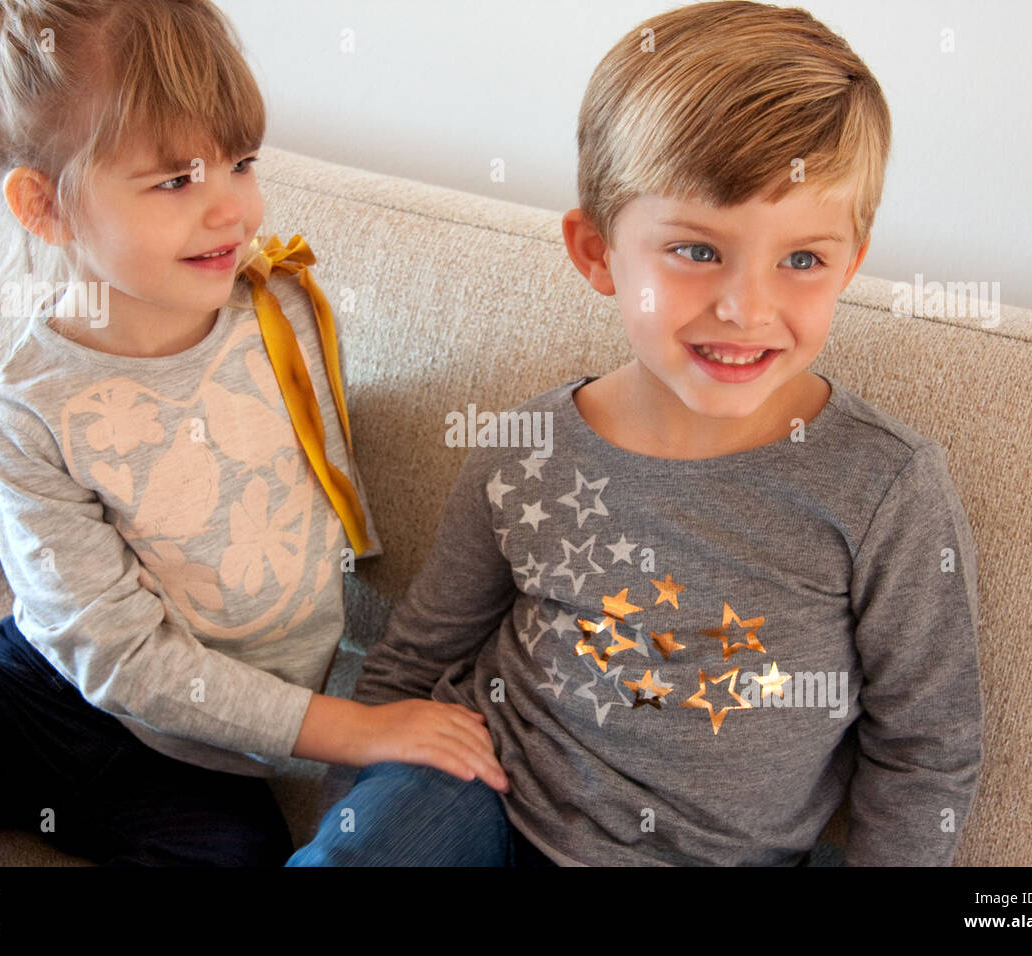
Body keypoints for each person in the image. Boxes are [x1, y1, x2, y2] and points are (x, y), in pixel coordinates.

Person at [289, 0, 983, 867]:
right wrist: (348, 823)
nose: (747, 308)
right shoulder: (529, 449)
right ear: (595, 252)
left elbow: (926, 748)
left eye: (801, 260)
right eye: (696, 250)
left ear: (851, 261)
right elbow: (412, 659)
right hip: (484, 799)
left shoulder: (887, 487)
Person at [0, 0, 504, 867]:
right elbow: (119, 656)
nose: (232, 209)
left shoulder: (287, 313)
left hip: (203, 756)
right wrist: (351, 729)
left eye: (240, 163)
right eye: (175, 181)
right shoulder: (26, 413)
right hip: (33, 698)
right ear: (44, 206)